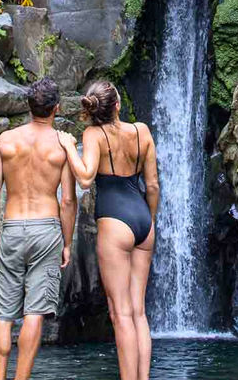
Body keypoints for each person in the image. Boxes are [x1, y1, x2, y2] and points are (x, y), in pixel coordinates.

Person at [59, 79, 159, 380]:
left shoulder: (93, 135)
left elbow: (86, 179)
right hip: (143, 219)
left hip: (115, 221)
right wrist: (150, 221)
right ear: (117, 105)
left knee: (120, 314)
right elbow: (152, 185)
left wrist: (68, 146)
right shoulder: (142, 131)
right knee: (139, 312)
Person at [0, 77, 77, 380]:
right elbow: (67, 201)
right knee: (34, 312)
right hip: (47, 229)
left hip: (11, 226)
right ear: (57, 108)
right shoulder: (62, 144)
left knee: (3, 314)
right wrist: (67, 242)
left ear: (29, 106)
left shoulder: (6, 140)